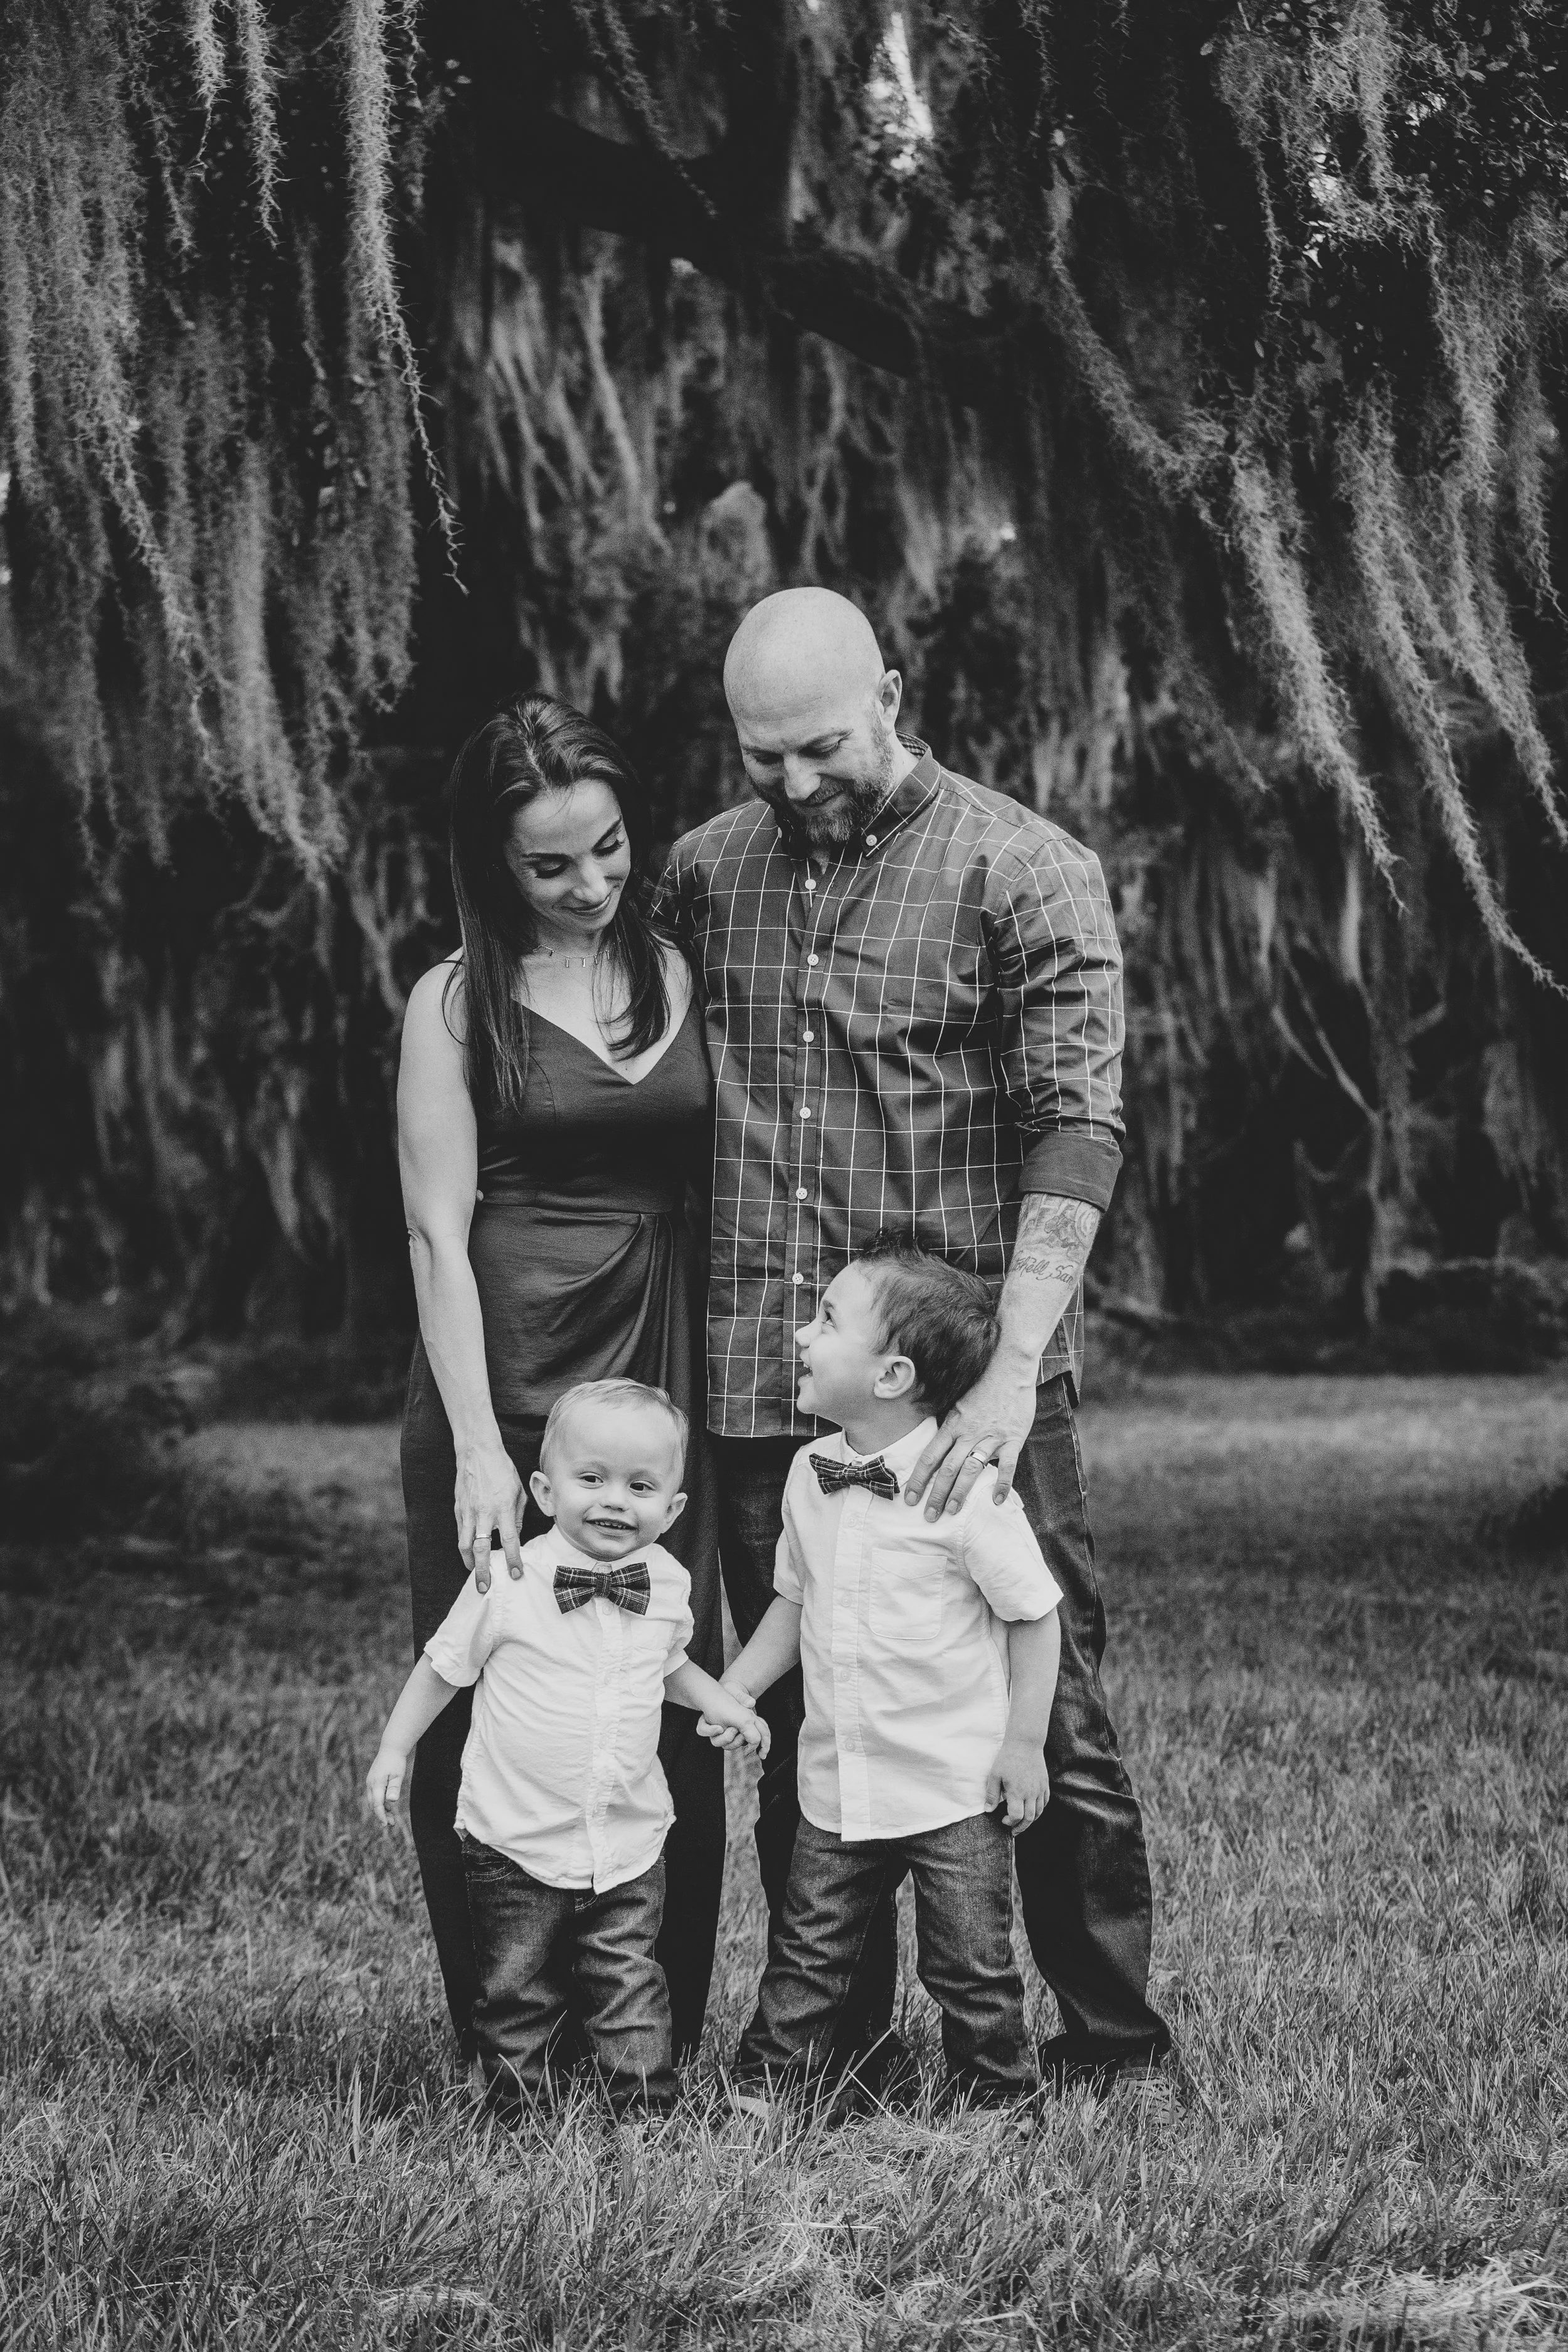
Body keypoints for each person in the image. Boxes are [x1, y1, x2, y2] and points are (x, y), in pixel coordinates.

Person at [655, 586, 1170, 2091]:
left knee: (1049, 1710)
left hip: (968, 1389)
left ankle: (1112, 2044)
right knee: (811, 1713)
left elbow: (1077, 1126)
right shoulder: (700, 871)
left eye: (821, 745)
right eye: (764, 759)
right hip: (770, 1366)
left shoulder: (1025, 869)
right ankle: (849, 2043)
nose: (797, 784)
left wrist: (1014, 1368)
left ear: (893, 689)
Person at [398, 692, 726, 2067]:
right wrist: (480, 1442)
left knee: (671, 1672)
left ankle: (649, 2032)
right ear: (492, 865)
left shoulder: (678, 967)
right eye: (551, 865)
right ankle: (506, 2034)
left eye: (606, 849)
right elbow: (435, 1229)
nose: (589, 884)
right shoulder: (455, 1000)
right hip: (509, 1361)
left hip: (661, 1370)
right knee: (493, 1696)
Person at [711, 1241, 1062, 2109]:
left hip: (952, 1785)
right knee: (807, 1951)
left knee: (970, 1965)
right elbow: (792, 1605)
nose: (800, 1332)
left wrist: (1024, 1745)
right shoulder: (807, 1474)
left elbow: (1035, 1615)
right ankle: (766, 2086)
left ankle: (999, 2099)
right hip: (841, 1779)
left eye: (826, 1319)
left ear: (893, 1374)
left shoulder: (968, 1493)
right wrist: (738, 1687)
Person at [369, 1380, 767, 2116]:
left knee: (629, 1980)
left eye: (641, 1486)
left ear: (673, 1508)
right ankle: (516, 2110)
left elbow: (669, 1666)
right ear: (545, 1492)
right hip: (514, 1833)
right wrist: (397, 1747)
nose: (616, 1500)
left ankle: (645, 2108)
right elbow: (442, 1666)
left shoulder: (669, 1583)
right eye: (593, 1480)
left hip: (625, 1835)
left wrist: (721, 1701)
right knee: (516, 1985)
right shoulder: (509, 1579)